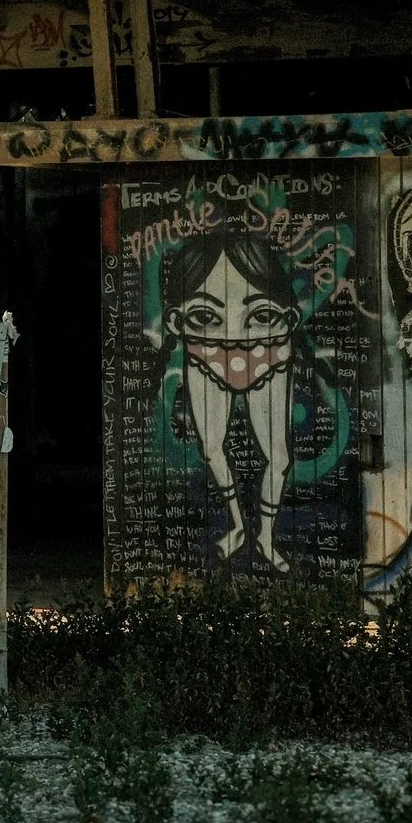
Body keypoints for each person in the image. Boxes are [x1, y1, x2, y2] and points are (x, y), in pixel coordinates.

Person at [159, 228, 310, 572]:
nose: (233, 333)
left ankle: (266, 538)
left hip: (266, 356)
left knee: (279, 455)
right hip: (206, 356)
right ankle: (240, 527)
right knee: (211, 448)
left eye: (262, 313)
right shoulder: (195, 342)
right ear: (175, 321)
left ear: (289, 318)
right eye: (204, 315)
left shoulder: (276, 339)